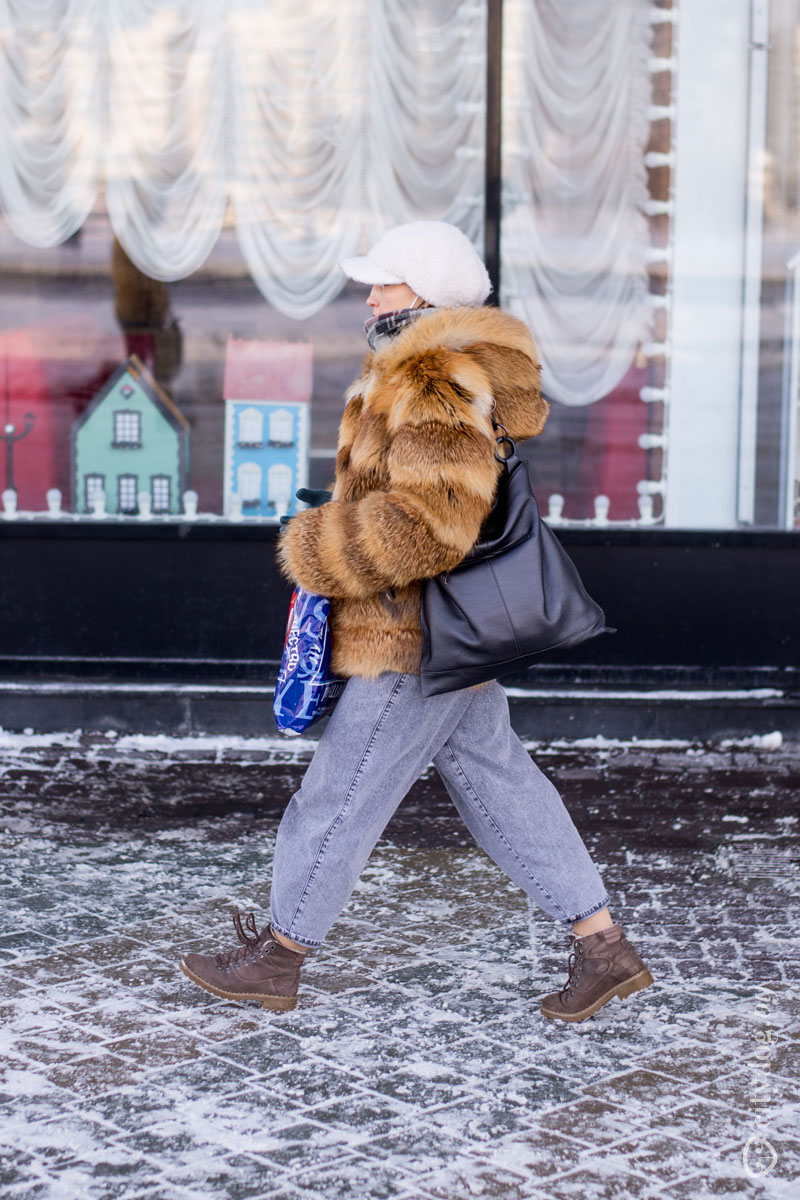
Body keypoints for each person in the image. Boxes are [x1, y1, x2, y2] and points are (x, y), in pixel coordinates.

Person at [179, 220, 654, 1023]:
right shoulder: (429, 369)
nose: (369, 294)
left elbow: (431, 525)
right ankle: (603, 948)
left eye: (384, 282)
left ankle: (280, 955)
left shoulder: (433, 376)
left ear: (424, 295)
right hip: (445, 632)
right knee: (497, 781)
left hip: (411, 636)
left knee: (341, 793)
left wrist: (318, 548)